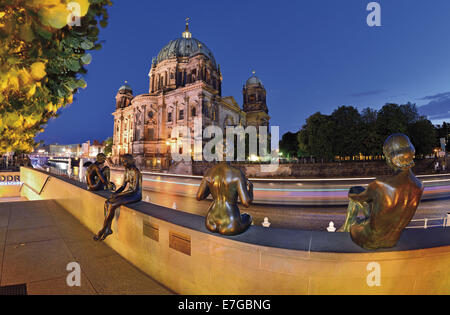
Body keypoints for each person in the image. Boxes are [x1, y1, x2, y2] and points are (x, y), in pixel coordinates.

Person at [338, 134, 424, 250]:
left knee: (355, 195)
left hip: (370, 240)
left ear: (390, 157)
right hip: (392, 241)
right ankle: (360, 224)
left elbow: (356, 198)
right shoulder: (419, 186)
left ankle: (345, 229)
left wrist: (350, 192)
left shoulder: (380, 184)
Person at [94, 154, 142, 241]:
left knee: (113, 204)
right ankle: (108, 229)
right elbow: (123, 186)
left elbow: (134, 190)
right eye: (122, 161)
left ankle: (102, 230)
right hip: (128, 193)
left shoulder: (136, 172)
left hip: (135, 195)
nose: (123, 163)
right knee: (107, 202)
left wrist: (118, 195)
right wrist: (115, 193)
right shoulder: (127, 171)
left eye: (125, 161)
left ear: (129, 161)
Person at [196, 162, 253, 236]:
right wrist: (250, 189)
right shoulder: (237, 173)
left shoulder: (209, 172)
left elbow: (199, 197)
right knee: (248, 217)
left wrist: (212, 188)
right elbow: (246, 203)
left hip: (210, 221)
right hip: (230, 223)